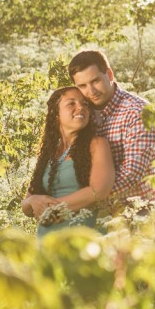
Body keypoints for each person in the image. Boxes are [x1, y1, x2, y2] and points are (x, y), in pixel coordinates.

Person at [68, 50, 155, 212]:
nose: (90, 91)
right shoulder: (80, 114)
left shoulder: (139, 112)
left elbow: (131, 174)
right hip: (88, 216)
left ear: (109, 74)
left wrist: (79, 202)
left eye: (95, 81)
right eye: (82, 86)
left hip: (135, 213)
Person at [21, 86, 114, 236]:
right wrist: (33, 201)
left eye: (85, 104)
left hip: (84, 239)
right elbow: (26, 205)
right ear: (56, 113)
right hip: (47, 240)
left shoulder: (97, 144)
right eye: (71, 103)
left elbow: (99, 191)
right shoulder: (48, 153)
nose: (80, 108)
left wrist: (52, 209)